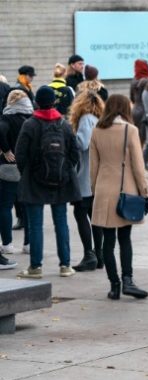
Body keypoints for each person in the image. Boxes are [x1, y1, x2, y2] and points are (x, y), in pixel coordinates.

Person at [15, 86, 81, 279]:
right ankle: (65, 265)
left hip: (35, 181)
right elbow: (74, 154)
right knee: (61, 223)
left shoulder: (30, 124)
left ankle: (35, 267)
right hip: (60, 181)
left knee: (35, 225)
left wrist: (29, 173)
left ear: (37, 102)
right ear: (54, 102)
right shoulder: (64, 124)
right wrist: (65, 170)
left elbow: (20, 155)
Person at [90, 94, 148, 300]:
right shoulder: (130, 130)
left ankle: (114, 285)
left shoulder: (97, 130)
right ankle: (128, 281)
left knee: (108, 241)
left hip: (103, 191)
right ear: (126, 108)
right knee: (125, 239)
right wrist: (145, 192)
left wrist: (95, 189)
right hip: (126, 190)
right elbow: (138, 166)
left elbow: (93, 166)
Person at [68, 90, 105, 272]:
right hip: (99, 175)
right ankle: (99, 254)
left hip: (85, 176)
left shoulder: (86, 119)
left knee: (80, 212)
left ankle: (89, 254)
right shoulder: (101, 120)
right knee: (95, 216)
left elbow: (82, 143)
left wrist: (69, 138)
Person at [0, 91, 34, 267]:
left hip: (8, 168)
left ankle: (7, 244)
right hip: (26, 168)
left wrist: (6, 150)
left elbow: (1, 132)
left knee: (5, 206)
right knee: (26, 206)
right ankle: (28, 244)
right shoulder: (30, 119)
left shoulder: (6, 118)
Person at [130, 59, 148, 145]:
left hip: (136, 110)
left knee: (138, 138)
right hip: (147, 111)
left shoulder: (134, 80)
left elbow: (131, 97)